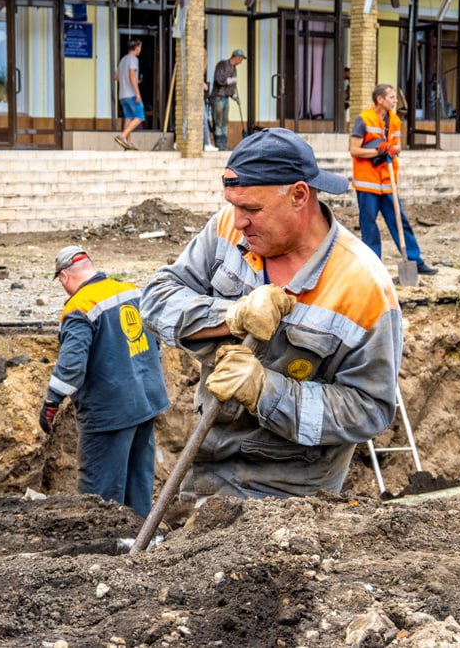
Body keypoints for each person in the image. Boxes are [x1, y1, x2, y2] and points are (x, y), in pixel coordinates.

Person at [140, 128, 402, 501]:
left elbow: (370, 410)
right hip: (206, 463)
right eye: (233, 204)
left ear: (299, 195)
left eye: (251, 209)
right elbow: (155, 299)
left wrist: (267, 392)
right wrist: (231, 315)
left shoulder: (362, 286)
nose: (239, 220)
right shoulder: (228, 229)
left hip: (288, 496)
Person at [39, 246, 170, 517]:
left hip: (109, 412)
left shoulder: (80, 306)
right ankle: (141, 544)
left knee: (99, 493)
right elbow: (154, 341)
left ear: (64, 277)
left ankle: (104, 552)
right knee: (138, 482)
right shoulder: (130, 290)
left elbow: (72, 365)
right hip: (146, 403)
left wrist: (52, 400)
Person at [350, 84, 438, 275]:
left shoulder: (396, 120)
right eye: (391, 97)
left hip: (388, 181)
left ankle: (414, 260)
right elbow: (354, 150)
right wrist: (378, 150)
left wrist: (394, 148)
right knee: (369, 224)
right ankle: (373, 264)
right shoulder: (363, 119)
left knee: (400, 220)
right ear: (379, 100)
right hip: (368, 183)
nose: (395, 100)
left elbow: (397, 145)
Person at [210, 49, 246, 151]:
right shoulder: (222, 65)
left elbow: (232, 87)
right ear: (236, 57)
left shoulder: (234, 69)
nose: (241, 62)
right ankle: (218, 143)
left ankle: (224, 143)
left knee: (225, 121)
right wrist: (229, 81)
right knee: (218, 121)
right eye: (241, 59)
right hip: (218, 97)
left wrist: (234, 96)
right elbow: (218, 80)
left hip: (226, 98)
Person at [115, 39, 143, 151]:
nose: (140, 50)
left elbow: (116, 77)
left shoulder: (123, 60)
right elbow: (132, 75)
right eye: (140, 47)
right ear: (136, 48)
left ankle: (128, 144)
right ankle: (122, 136)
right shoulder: (133, 59)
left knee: (128, 117)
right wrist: (137, 92)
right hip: (131, 94)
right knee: (140, 116)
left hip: (122, 95)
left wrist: (132, 80)